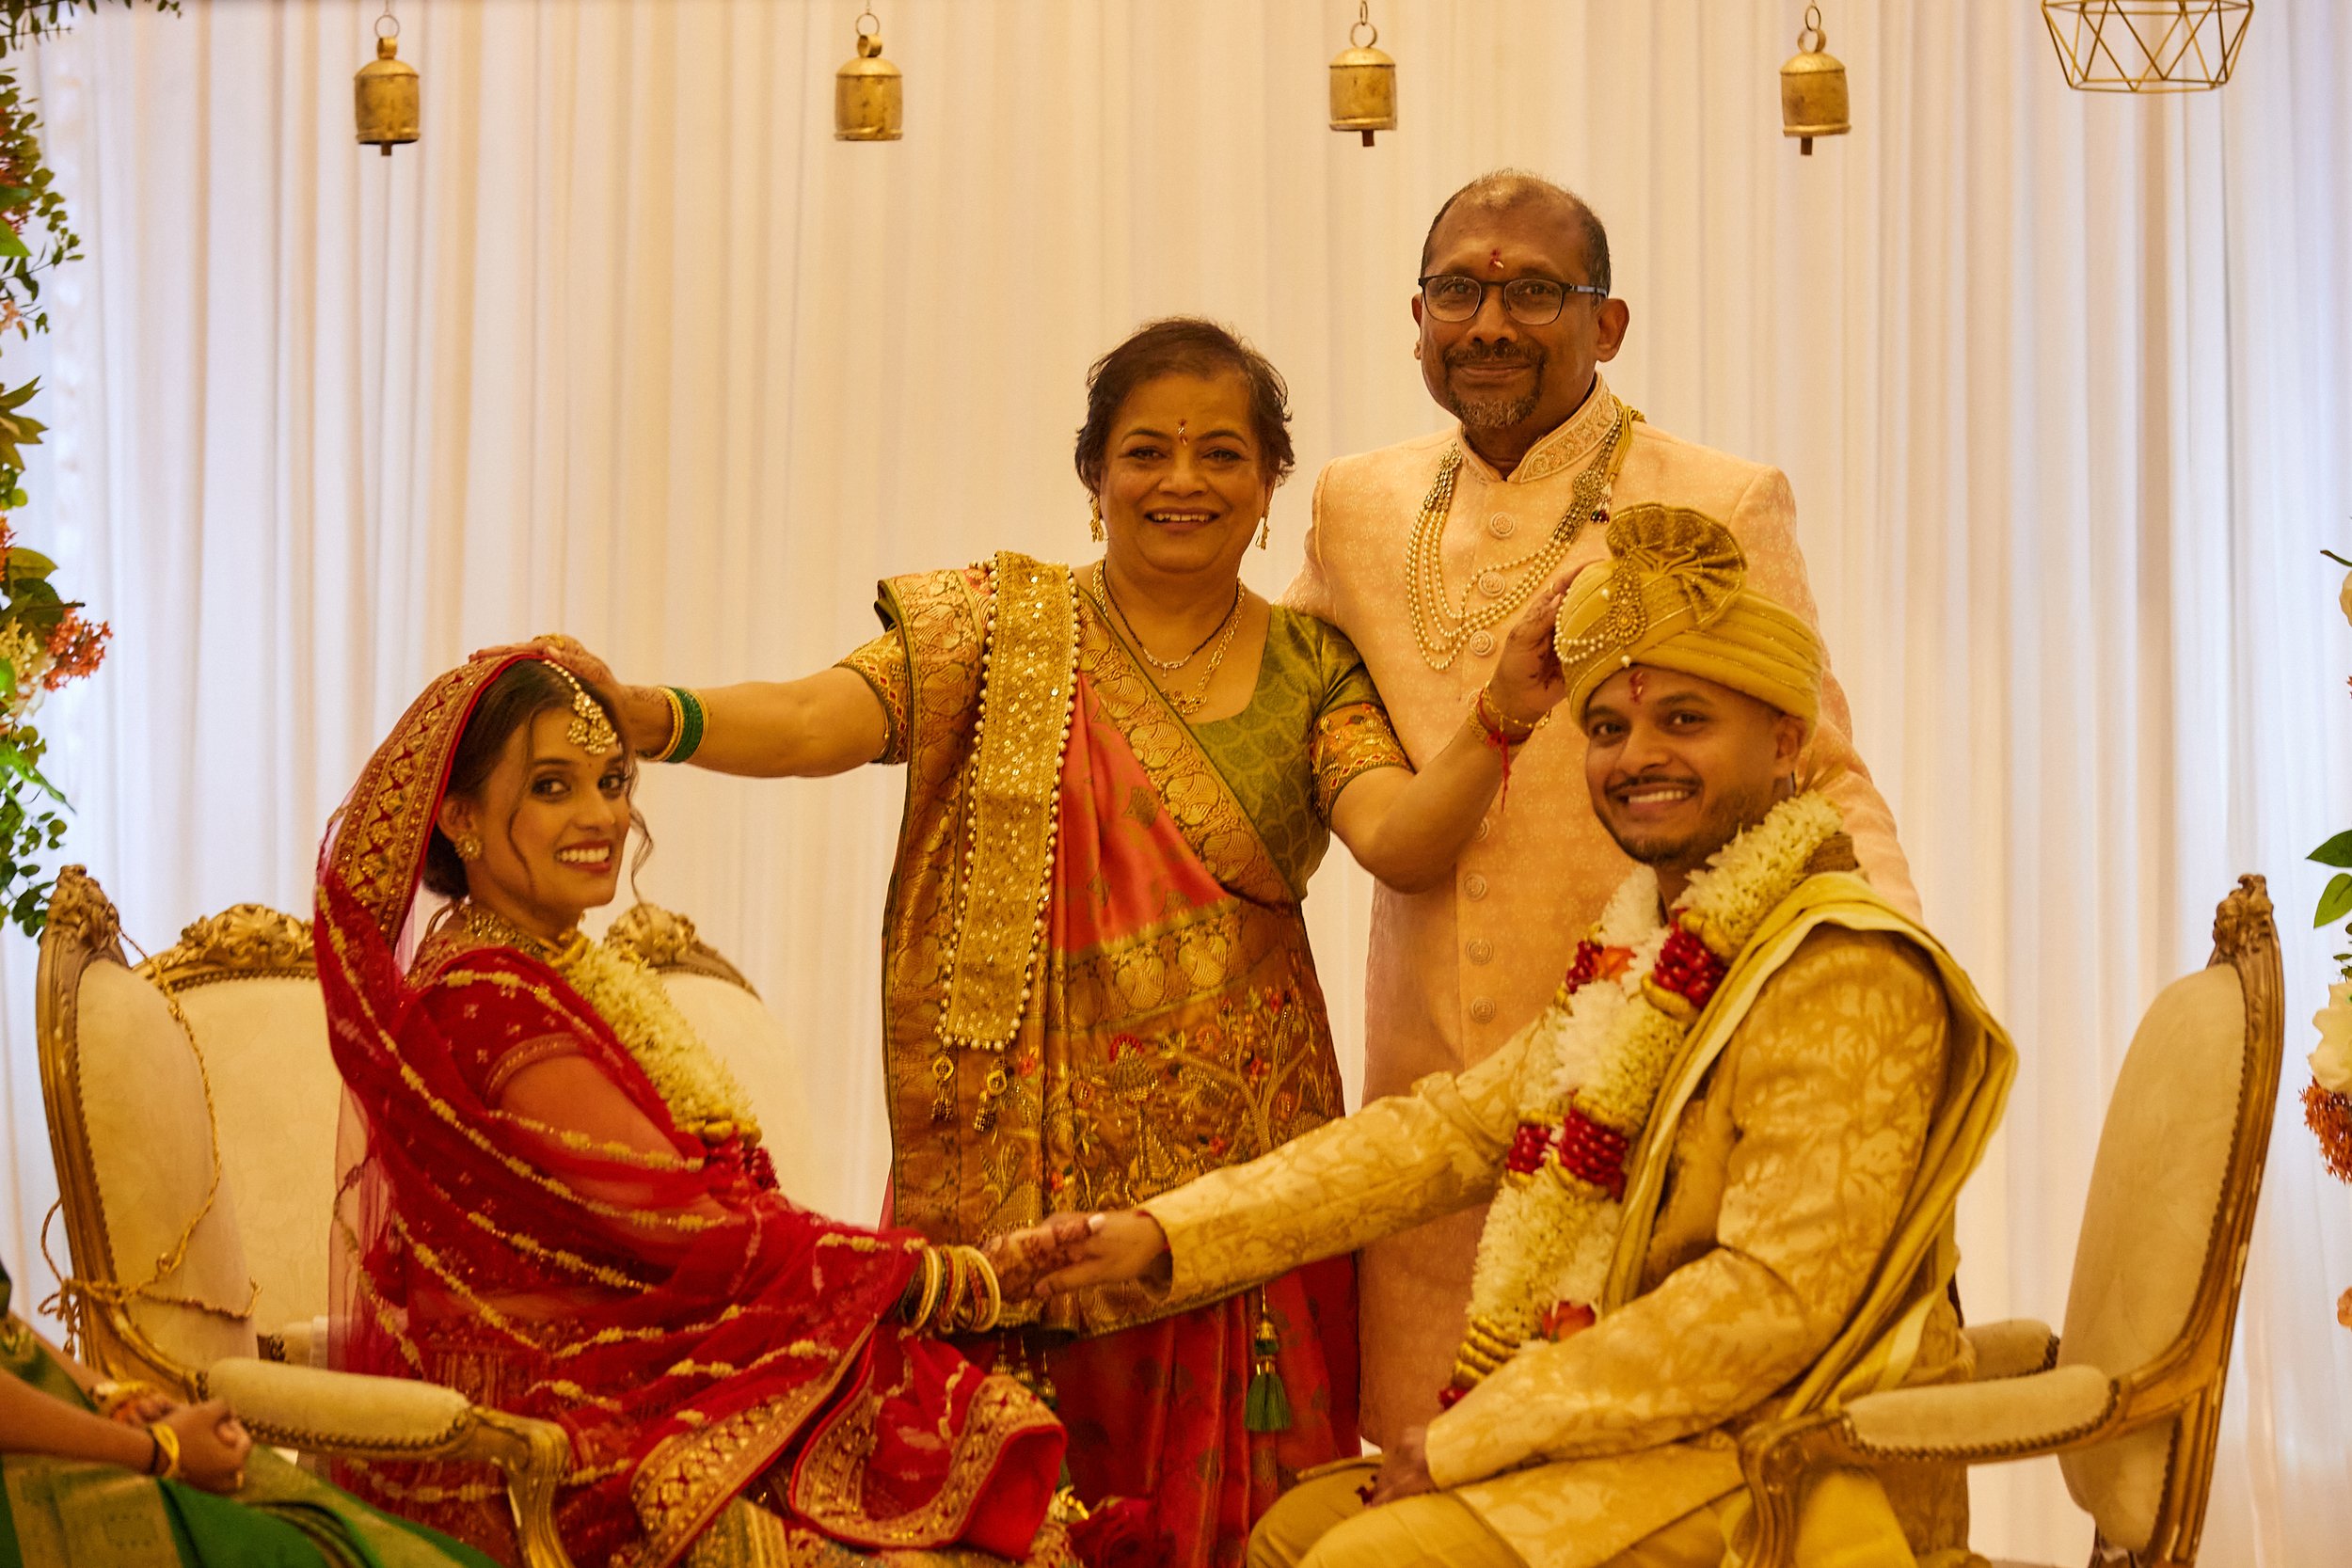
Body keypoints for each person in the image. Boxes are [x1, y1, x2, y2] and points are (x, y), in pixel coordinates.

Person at [545, 317, 1571, 1567]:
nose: (1181, 480)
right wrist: (655, 713)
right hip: (1015, 1168)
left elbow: (1400, 838)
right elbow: (824, 714)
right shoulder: (999, 629)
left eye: (1220, 455)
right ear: (1094, 480)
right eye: (1146, 451)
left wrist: (1503, 716)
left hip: (1241, 1177)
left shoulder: (1311, 664)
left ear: (1267, 488)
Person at [1004, 509, 2015, 1568]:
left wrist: (1474, 1432)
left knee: (1359, 1556)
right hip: (1665, 1438)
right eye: (1611, 729)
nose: (1638, 757)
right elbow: (1440, 1133)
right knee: (1300, 1527)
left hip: (1791, 1457)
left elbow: (1769, 1304)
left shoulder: (1840, 967)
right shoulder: (1653, 951)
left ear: (1782, 745)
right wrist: (1161, 1232)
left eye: (1684, 720)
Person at [1285, 167, 1921, 1438]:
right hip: (1433, 1081)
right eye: (1459, 289)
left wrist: (1887, 967)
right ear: (1416, 316)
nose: (1491, 322)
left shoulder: (1718, 497)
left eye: (1534, 291)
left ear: (1606, 323)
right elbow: (1275, 712)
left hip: (1659, 1067)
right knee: (1427, 1462)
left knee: (1630, 1467)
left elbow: (1818, 760)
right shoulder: (1357, 504)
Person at [314, 653, 1071, 1568]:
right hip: (552, 1420)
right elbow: (681, 1219)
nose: (600, 815)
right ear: (458, 815)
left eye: (612, 781)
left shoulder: (560, 970)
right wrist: (934, 1274)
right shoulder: (484, 1001)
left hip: (640, 1365)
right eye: (553, 786)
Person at [0, 1260, 497, 1566]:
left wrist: (112, 1394)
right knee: (279, 1550)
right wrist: (159, 1451)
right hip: (31, 1467)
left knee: (336, 1519)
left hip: (71, 1416)